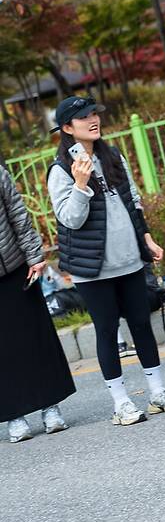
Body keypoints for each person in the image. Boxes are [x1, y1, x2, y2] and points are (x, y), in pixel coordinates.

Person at [47, 96, 165, 426]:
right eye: (84, 117)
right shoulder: (60, 171)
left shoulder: (112, 156)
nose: (93, 120)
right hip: (92, 269)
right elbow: (69, 219)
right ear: (68, 128)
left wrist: (147, 237)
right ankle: (120, 402)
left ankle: (157, 391)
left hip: (128, 259)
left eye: (95, 113)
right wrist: (80, 185)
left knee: (141, 324)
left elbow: (132, 200)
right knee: (108, 330)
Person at [1, 166, 74, 443]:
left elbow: (18, 215)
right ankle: (13, 416)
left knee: (36, 338)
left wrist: (34, 255)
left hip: (18, 266)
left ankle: (50, 408)